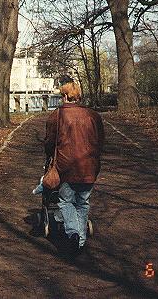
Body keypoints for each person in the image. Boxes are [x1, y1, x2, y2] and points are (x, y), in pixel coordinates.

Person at [44, 82, 104, 254]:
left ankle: (72, 233)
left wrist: (50, 156)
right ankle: (81, 242)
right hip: (89, 167)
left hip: (67, 167)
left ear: (64, 96)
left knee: (65, 201)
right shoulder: (93, 115)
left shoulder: (58, 116)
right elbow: (100, 142)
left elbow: (49, 142)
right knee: (82, 202)